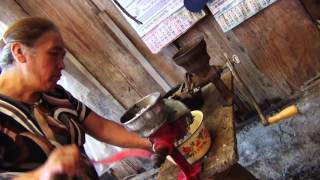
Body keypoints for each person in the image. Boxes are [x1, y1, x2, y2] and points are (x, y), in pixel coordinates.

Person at [0, 17, 152, 179]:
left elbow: (101, 128)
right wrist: (41, 174)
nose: (62, 65)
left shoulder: (54, 94)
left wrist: (153, 143)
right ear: (19, 52)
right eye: (53, 53)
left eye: (62, 56)